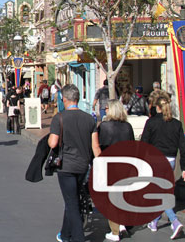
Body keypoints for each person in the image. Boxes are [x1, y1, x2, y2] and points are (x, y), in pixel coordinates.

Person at [48, 85, 101, 242]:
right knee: (72, 198)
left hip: (66, 166)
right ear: (77, 99)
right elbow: (96, 147)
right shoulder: (89, 119)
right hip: (83, 165)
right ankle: (64, 234)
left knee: (72, 202)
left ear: (64, 99)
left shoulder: (60, 118)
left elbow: (52, 143)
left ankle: (78, 237)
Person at [141, 95, 185, 238]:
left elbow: (144, 144)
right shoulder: (177, 124)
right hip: (170, 160)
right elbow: (183, 147)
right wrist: (184, 167)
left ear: (157, 107)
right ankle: (154, 221)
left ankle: (174, 221)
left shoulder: (151, 122)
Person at [97, 100, 133, 241]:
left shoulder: (104, 126)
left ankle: (115, 231)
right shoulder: (127, 127)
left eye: (106, 108)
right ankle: (122, 223)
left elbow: (98, 146)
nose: (104, 110)